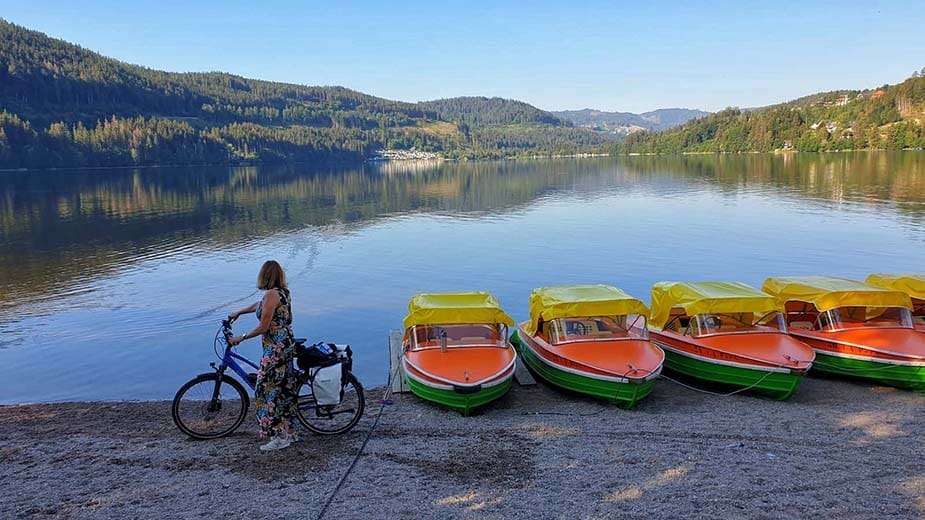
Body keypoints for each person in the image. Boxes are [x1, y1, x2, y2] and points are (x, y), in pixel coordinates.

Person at [228, 260, 298, 451]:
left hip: (275, 348)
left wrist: (240, 338)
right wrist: (240, 312)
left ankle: (279, 436)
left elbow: (263, 327)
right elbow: (260, 306)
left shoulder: (271, 294)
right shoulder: (283, 293)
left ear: (264, 276)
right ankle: (290, 431)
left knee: (265, 389)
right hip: (286, 344)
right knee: (284, 389)